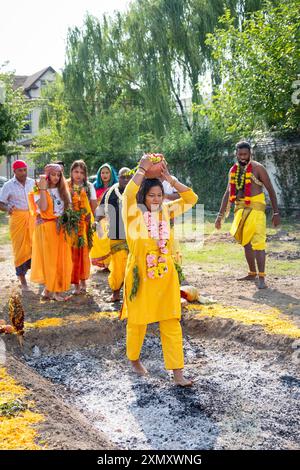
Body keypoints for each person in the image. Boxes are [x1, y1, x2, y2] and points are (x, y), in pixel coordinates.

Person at [121, 154, 198, 386]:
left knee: (171, 321)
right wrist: (143, 169)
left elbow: (191, 198)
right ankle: (134, 360)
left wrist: (170, 180)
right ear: (143, 197)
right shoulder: (133, 212)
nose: (155, 199)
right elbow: (127, 194)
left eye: (159, 195)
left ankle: (178, 373)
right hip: (140, 275)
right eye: (151, 195)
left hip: (165, 275)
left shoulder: (166, 210)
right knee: (137, 321)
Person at [215, 141, 280, 289]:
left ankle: (261, 277)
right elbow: (228, 192)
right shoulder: (233, 170)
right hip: (240, 209)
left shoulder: (258, 168)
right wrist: (220, 215)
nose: (243, 157)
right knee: (246, 243)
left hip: (256, 209)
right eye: (240, 154)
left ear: (251, 154)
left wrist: (276, 212)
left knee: (258, 243)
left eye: (245, 154)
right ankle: (252, 273)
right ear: (236, 154)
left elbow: (270, 189)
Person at [30, 163, 72, 301]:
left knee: (61, 259)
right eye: (53, 174)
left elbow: (68, 209)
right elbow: (43, 207)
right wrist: (43, 189)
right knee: (49, 260)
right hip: (47, 229)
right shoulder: (38, 189)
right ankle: (51, 289)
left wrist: (64, 221)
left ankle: (54, 290)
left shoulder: (63, 190)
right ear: (47, 175)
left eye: (58, 175)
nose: (56, 177)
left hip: (61, 228)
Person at [96, 167, 131, 302]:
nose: (126, 180)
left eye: (129, 177)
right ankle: (116, 293)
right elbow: (101, 209)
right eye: (123, 177)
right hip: (116, 234)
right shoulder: (111, 192)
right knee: (117, 267)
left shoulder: (137, 191)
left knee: (133, 265)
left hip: (135, 235)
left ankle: (130, 294)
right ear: (118, 177)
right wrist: (96, 221)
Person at [0, 160, 35, 289]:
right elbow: (1, 203)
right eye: (20, 170)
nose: (23, 173)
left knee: (35, 247)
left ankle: (39, 276)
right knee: (20, 249)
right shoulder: (8, 185)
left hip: (33, 219)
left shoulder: (33, 183)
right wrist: (7, 208)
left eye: (25, 170)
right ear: (14, 171)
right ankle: (23, 281)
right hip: (17, 220)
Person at [68, 160, 97, 295]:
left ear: (85, 174)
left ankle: (84, 280)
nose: (78, 175)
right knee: (73, 253)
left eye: (81, 172)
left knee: (84, 252)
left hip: (85, 224)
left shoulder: (89, 186)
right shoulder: (67, 185)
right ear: (71, 172)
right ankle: (76, 285)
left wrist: (94, 220)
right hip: (71, 224)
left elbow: (93, 205)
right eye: (76, 172)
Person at [90, 163, 118, 269]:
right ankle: (104, 263)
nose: (105, 175)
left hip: (112, 216)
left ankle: (111, 264)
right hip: (98, 216)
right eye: (102, 173)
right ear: (99, 174)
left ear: (111, 174)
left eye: (107, 172)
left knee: (110, 239)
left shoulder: (116, 186)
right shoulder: (94, 186)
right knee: (99, 237)